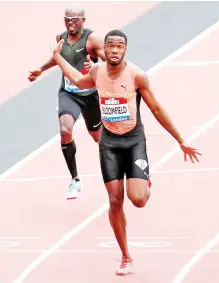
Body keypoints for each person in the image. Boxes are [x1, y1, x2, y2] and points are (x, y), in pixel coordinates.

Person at [51, 29, 202, 275]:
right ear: (105, 49)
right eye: (110, 46)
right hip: (109, 143)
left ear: (125, 50)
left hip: (133, 142)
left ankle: (144, 180)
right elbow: (78, 82)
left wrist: (180, 140)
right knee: (114, 200)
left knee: (139, 200)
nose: (114, 50)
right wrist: (57, 57)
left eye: (119, 46)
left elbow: (156, 108)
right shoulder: (97, 72)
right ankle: (125, 256)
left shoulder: (136, 76)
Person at [28, 5, 106, 200]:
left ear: (83, 20)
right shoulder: (60, 38)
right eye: (67, 19)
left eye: (74, 19)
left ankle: (123, 165)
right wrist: (41, 69)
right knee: (65, 129)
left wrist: (96, 65)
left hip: (90, 95)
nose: (70, 22)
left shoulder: (92, 39)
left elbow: (113, 63)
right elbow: (58, 59)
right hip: (69, 93)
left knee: (99, 138)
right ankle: (75, 180)